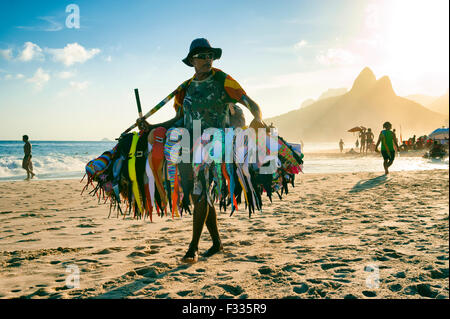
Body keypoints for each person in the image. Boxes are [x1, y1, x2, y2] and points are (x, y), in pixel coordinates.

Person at [137, 38, 263, 264]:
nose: (208, 59)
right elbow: (178, 119)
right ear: (192, 60)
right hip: (188, 145)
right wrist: (152, 127)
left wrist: (258, 119)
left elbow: (251, 103)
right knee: (198, 196)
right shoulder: (184, 88)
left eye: (210, 55)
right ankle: (216, 243)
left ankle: (192, 249)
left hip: (215, 145)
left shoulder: (224, 80)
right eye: (202, 56)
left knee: (201, 189)